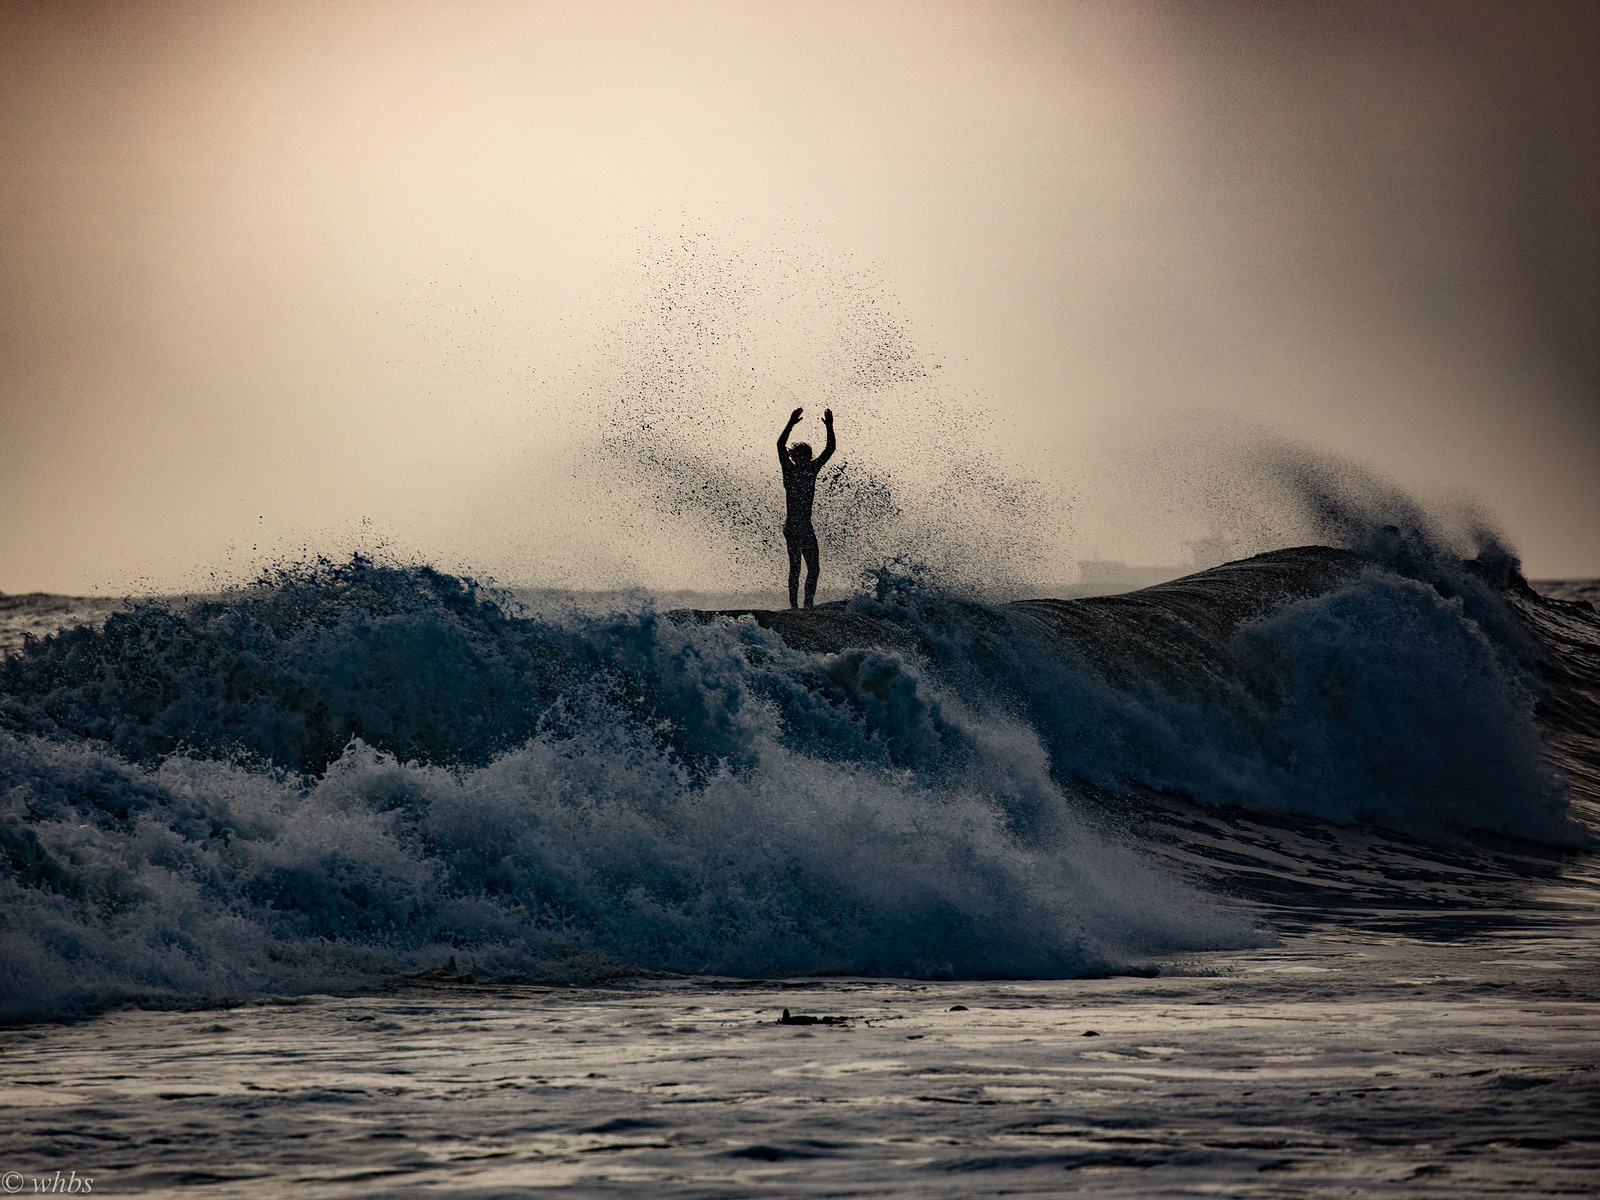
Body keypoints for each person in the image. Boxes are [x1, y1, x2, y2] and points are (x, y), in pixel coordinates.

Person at [776, 405, 835, 609]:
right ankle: (794, 606)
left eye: (806, 457)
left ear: (809, 458)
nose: (803, 460)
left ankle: (808, 603)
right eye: (799, 457)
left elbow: (829, 450)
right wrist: (790, 423)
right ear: (794, 458)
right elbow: (780, 445)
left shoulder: (812, 470)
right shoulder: (789, 471)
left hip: (806, 526)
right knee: (796, 567)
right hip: (793, 526)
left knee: (814, 568)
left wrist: (830, 426)